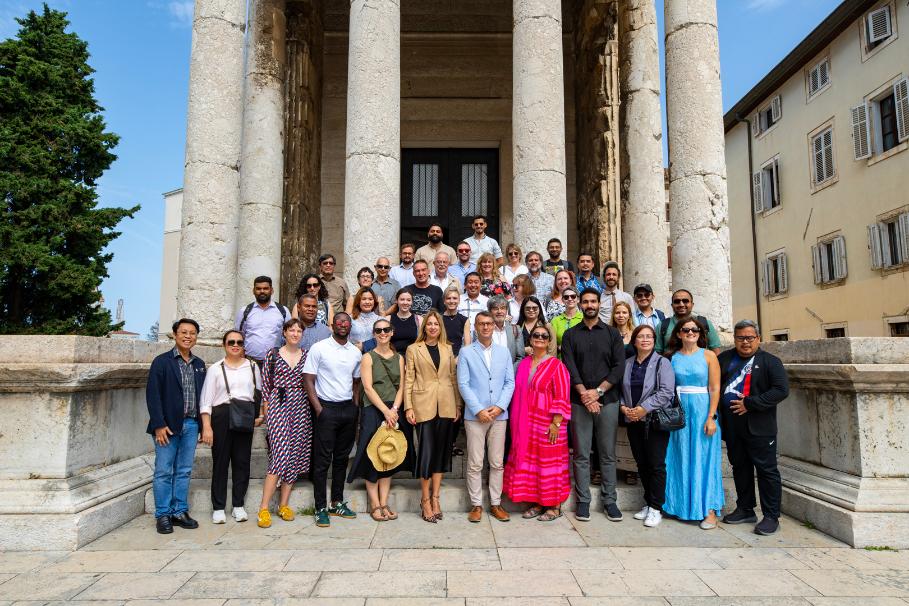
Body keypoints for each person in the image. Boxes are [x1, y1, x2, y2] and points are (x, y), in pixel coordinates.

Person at [718, 320, 789, 536]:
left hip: (760, 426)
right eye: (741, 338)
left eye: (750, 338)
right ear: (735, 339)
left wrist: (750, 403)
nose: (745, 342)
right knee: (740, 467)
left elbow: (780, 390)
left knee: (767, 471)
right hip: (732, 426)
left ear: (758, 339)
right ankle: (745, 508)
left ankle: (771, 516)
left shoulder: (771, 362)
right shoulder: (725, 359)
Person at [561, 289, 626, 522]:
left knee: (607, 454)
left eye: (593, 301)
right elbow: (569, 367)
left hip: (607, 401)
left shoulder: (612, 334)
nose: (589, 305)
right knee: (580, 454)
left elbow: (619, 367)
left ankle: (610, 501)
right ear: (579, 304)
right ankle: (583, 501)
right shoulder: (570, 335)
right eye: (585, 301)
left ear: (599, 304)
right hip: (579, 403)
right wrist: (585, 396)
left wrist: (597, 392)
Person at [347, 318, 415, 521]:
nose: (383, 333)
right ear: (374, 334)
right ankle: (375, 505)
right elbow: (367, 387)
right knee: (371, 454)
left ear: (392, 332)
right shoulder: (368, 357)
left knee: (389, 454)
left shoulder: (399, 358)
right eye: (378, 330)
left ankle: (384, 502)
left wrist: (394, 409)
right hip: (373, 409)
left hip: (393, 408)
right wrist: (386, 411)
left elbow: (402, 386)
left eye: (386, 329)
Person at [503, 323, 572, 521]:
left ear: (549, 341)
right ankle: (537, 502)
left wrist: (556, 423)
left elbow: (562, 395)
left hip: (549, 423)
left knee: (550, 464)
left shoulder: (557, 365)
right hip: (527, 423)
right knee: (534, 463)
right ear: (530, 339)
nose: (540, 338)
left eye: (544, 336)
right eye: (536, 335)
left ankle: (554, 506)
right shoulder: (525, 363)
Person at [662, 316, 724, 529]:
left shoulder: (708, 356)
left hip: (702, 410)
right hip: (680, 412)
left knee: (704, 459)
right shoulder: (671, 358)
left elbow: (715, 388)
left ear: (700, 334)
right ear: (678, 333)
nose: (690, 333)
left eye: (695, 330)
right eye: (686, 330)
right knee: (679, 456)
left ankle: (709, 510)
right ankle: (681, 505)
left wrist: (711, 417)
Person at [146, 318, 206, 534]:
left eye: (192, 333)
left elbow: (203, 397)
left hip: (191, 424)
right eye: (184, 332)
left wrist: (201, 425)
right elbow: (153, 395)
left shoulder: (199, 364)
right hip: (168, 426)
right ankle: (163, 514)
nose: (188, 336)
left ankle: (179, 510)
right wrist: (159, 425)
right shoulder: (162, 362)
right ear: (174, 334)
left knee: (184, 470)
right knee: (163, 470)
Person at [302, 313, 362, 527]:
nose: (342, 325)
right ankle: (320, 507)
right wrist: (318, 409)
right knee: (322, 460)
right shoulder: (319, 348)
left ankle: (336, 502)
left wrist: (354, 407)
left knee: (341, 459)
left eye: (346, 322)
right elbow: (308, 379)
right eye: (339, 322)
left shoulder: (355, 352)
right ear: (333, 325)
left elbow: (356, 382)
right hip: (326, 408)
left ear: (350, 325)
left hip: (347, 409)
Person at [458, 311, 516, 523]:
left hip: (499, 416)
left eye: (489, 324)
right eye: (481, 324)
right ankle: (476, 505)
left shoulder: (504, 352)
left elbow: (510, 382)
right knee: (475, 463)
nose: (485, 327)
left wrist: (500, 407)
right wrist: (478, 409)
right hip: (475, 416)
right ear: (475, 327)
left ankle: (495, 503)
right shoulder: (466, 352)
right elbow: (463, 384)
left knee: (497, 462)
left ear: (494, 326)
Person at [404, 311, 461, 523]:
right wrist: (409, 407)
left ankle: (436, 498)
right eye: (430, 324)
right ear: (424, 327)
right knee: (427, 453)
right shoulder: (413, 349)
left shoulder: (448, 348)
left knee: (442, 453)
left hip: (446, 405)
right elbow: (409, 379)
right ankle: (425, 499)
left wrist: (458, 404)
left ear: (441, 327)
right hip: (423, 405)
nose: (433, 327)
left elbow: (453, 378)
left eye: (436, 324)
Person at [200, 330, 261, 524]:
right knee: (220, 462)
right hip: (221, 416)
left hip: (244, 415)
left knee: (242, 461)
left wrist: (259, 414)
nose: (235, 345)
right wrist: (206, 427)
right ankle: (218, 507)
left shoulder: (252, 367)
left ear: (244, 345)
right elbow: (206, 400)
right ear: (224, 345)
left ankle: (238, 505)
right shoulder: (215, 369)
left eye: (239, 342)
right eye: (231, 342)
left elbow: (258, 393)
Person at [256, 319, 312, 528]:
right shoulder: (272, 354)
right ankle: (263, 508)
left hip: (301, 405)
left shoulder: (307, 355)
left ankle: (284, 504)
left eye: (299, 331)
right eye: (292, 330)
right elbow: (266, 387)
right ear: (285, 333)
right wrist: (267, 414)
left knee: (295, 455)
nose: (295, 334)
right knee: (280, 454)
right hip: (278, 404)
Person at [619, 325, 676, 528]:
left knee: (656, 464)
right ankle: (648, 501)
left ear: (654, 340)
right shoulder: (626, 364)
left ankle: (656, 507)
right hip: (633, 420)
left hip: (654, 421)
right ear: (634, 341)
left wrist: (643, 408)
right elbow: (620, 389)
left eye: (649, 337)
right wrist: (624, 407)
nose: (645, 340)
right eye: (641, 337)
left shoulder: (662, 363)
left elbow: (666, 392)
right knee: (641, 463)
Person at [235, 276, 290, 365]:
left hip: (276, 362)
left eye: (265, 288)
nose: (262, 291)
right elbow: (238, 335)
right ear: (253, 291)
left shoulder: (283, 311)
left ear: (271, 290)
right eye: (258, 289)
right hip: (250, 362)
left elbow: (289, 336)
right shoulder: (245, 311)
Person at [655, 289, 723, 354]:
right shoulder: (662, 326)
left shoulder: (704, 323)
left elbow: (716, 351)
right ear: (672, 305)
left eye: (685, 301)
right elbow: (657, 353)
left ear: (692, 304)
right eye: (677, 301)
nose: (681, 304)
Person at [487, 295, 524, 364]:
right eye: (495, 308)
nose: (499, 311)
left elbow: (520, 357)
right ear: (489, 311)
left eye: (502, 308)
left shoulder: (516, 330)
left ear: (506, 311)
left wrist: (510, 372)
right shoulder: (482, 330)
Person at [550, 287, 582, 356]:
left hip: (580, 361)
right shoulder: (555, 321)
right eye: (566, 297)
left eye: (573, 296)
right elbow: (551, 344)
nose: (570, 299)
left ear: (578, 299)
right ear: (563, 300)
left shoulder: (584, 319)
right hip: (561, 361)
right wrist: (558, 347)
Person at [390, 289, 422, 356]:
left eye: (408, 300)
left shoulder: (419, 320)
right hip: (393, 358)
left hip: (413, 358)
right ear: (396, 301)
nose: (405, 302)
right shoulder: (388, 319)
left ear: (412, 302)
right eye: (402, 299)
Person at [441, 287, 470, 356]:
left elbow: (467, 345)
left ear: (459, 301)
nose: (451, 301)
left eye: (454, 298)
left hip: (458, 358)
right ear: (444, 301)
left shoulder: (464, 320)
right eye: (448, 298)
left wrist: (459, 359)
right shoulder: (438, 318)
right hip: (440, 357)